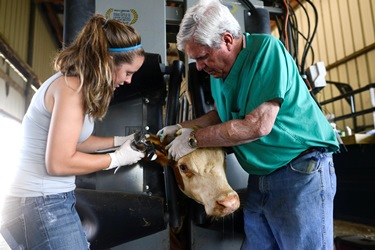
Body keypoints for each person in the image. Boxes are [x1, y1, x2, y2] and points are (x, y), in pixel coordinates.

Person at [157, 0, 340, 249]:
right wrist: (182, 128)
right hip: (260, 177)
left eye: (202, 57)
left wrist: (192, 139)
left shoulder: (267, 52)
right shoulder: (218, 71)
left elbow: (257, 125)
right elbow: (223, 116)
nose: (199, 66)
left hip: (299, 172)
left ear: (227, 40)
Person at [0, 14, 146, 249]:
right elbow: (58, 162)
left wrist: (120, 141)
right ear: (108, 61)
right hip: (40, 202)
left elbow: (78, 143)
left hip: (46, 200)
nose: (128, 81)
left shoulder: (75, 85)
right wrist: (115, 159)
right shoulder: (72, 89)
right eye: (128, 73)